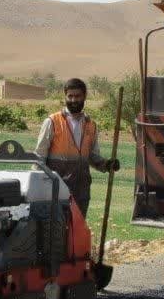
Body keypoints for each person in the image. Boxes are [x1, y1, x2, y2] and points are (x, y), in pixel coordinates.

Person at [34, 78, 120, 217]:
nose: (74, 100)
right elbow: (39, 157)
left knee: (77, 232)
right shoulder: (52, 122)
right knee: (57, 231)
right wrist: (38, 185)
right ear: (65, 97)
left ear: (84, 96)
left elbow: (91, 156)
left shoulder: (91, 124)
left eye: (77, 96)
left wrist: (106, 164)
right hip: (57, 190)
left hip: (82, 191)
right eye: (70, 96)